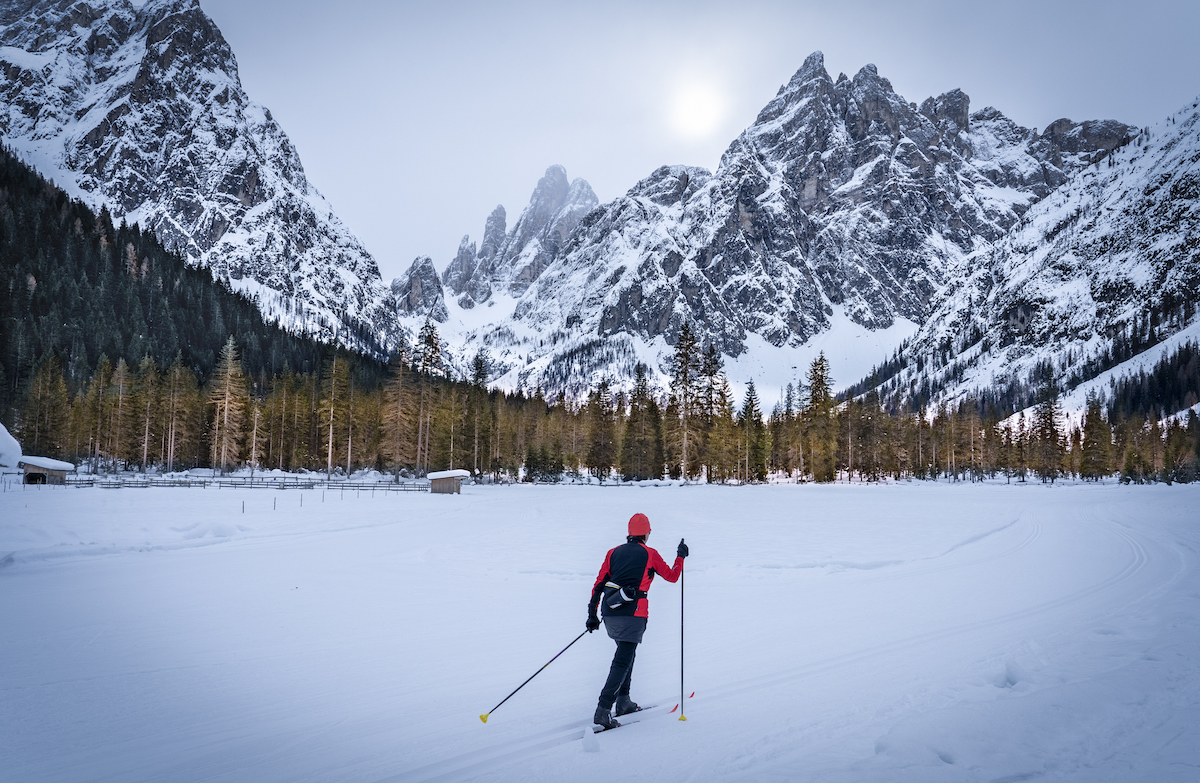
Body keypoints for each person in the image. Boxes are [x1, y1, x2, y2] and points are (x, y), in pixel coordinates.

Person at [586, 512, 689, 729]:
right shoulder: (650, 554)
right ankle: (603, 710)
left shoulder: (612, 553)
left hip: (610, 612)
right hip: (634, 615)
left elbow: (599, 584)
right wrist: (680, 557)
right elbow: (672, 576)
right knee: (623, 659)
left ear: (629, 533)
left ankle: (624, 702)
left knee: (627, 654)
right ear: (647, 533)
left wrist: (592, 615)